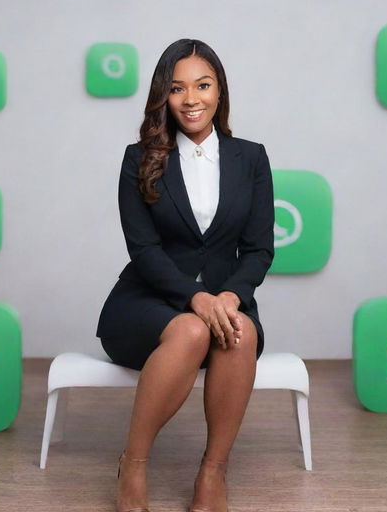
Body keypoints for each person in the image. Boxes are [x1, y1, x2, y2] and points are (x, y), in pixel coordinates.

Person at [95, 38, 275, 512]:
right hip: (147, 301)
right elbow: (144, 248)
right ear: (163, 97)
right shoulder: (139, 158)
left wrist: (231, 297)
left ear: (220, 92)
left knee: (236, 331)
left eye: (203, 85)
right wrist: (197, 298)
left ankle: (213, 473)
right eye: (177, 88)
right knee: (195, 328)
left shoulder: (251, 158)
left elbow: (258, 250)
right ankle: (133, 463)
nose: (191, 99)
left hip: (225, 299)